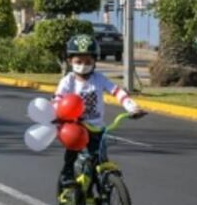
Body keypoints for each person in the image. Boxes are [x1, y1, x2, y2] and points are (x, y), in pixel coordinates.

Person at [55, 34, 141, 193]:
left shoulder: (99, 79)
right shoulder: (68, 81)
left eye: (88, 61)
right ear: (70, 61)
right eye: (78, 62)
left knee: (100, 160)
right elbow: (58, 99)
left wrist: (131, 107)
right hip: (76, 127)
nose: (83, 65)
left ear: (95, 61)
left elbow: (116, 91)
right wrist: (57, 114)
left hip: (97, 129)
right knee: (72, 151)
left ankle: (103, 193)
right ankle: (67, 174)